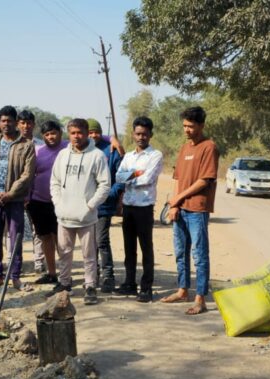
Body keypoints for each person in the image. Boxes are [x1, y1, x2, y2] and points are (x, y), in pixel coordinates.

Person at [160, 106, 218, 315]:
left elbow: (204, 180)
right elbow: (177, 178)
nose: (186, 130)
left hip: (197, 210)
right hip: (180, 209)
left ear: (201, 125)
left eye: (191, 126)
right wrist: (175, 204)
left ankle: (200, 298)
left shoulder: (209, 147)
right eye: (184, 126)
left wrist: (178, 198)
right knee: (180, 252)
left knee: (199, 254)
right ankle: (182, 290)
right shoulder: (184, 148)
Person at [50, 118, 111, 305]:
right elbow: (55, 182)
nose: (76, 136)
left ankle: (90, 286)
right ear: (68, 134)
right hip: (64, 215)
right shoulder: (62, 155)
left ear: (86, 133)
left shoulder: (97, 155)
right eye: (73, 133)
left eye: (80, 133)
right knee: (64, 252)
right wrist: (58, 204)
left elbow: (105, 185)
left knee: (89, 255)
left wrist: (90, 206)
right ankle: (64, 283)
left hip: (86, 217)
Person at [0, 105, 36, 291]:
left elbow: (27, 175)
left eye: (9, 121)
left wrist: (10, 194)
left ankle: (16, 278)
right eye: (2, 121)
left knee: (16, 239)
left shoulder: (26, 146)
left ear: (16, 122)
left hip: (14, 201)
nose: (5, 124)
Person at [115, 117, 164, 303]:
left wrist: (130, 176)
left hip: (144, 207)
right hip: (128, 206)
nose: (141, 137)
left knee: (146, 248)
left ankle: (146, 287)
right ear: (133, 135)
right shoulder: (128, 156)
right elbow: (118, 177)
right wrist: (136, 173)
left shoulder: (155, 155)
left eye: (144, 134)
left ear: (151, 135)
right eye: (138, 134)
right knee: (129, 248)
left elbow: (147, 179)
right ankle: (129, 283)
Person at [27, 120, 67, 285]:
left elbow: (91, 139)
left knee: (61, 240)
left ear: (60, 133)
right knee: (45, 238)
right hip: (38, 201)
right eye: (47, 134)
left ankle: (65, 276)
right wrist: (27, 198)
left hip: (61, 202)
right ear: (43, 136)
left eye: (53, 133)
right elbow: (29, 175)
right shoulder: (38, 151)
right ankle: (51, 273)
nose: (51, 137)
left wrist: (111, 139)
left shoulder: (69, 148)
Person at [87, 118, 124, 293]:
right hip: (86, 206)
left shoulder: (111, 150)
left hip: (104, 205)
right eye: (90, 132)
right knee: (89, 243)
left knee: (101, 241)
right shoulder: (81, 150)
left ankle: (108, 276)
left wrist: (110, 194)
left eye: (96, 132)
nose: (93, 135)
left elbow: (120, 177)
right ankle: (92, 275)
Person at [17, 109, 46, 274]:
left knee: (37, 229)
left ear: (33, 125)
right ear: (18, 124)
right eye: (22, 123)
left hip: (35, 194)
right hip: (15, 193)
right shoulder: (11, 143)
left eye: (29, 123)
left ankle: (39, 262)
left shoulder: (41, 145)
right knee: (14, 229)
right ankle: (14, 262)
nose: (25, 126)